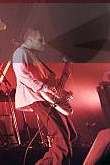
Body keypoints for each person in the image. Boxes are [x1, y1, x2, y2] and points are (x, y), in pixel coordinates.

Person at [12, 28, 76, 165]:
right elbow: (22, 76)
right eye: (40, 40)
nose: (44, 43)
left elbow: (48, 82)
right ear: (29, 39)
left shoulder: (33, 56)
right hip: (37, 98)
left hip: (46, 98)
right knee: (62, 138)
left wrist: (62, 93)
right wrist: (46, 88)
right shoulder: (20, 52)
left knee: (70, 135)